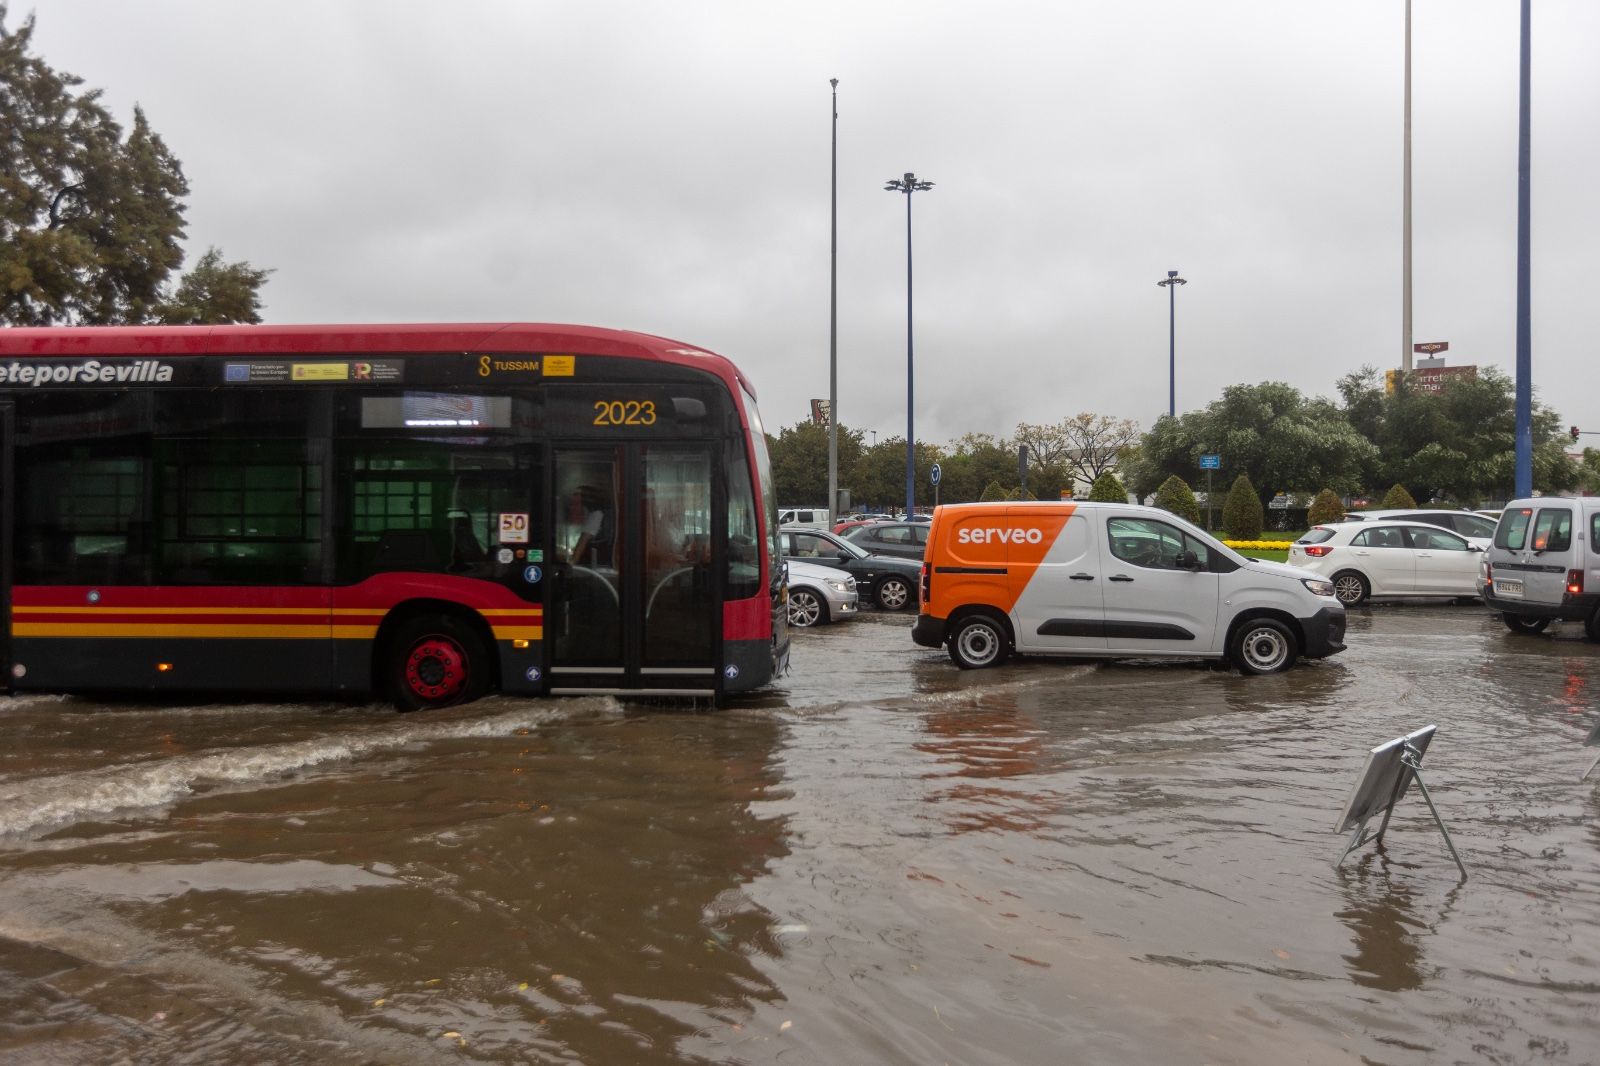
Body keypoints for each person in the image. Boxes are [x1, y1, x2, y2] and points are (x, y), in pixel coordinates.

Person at [570, 484, 613, 566]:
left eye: (576, 494)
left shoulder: (596, 515)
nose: (572, 508)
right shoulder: (592, 514)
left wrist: (571, 564)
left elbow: (582, 543)